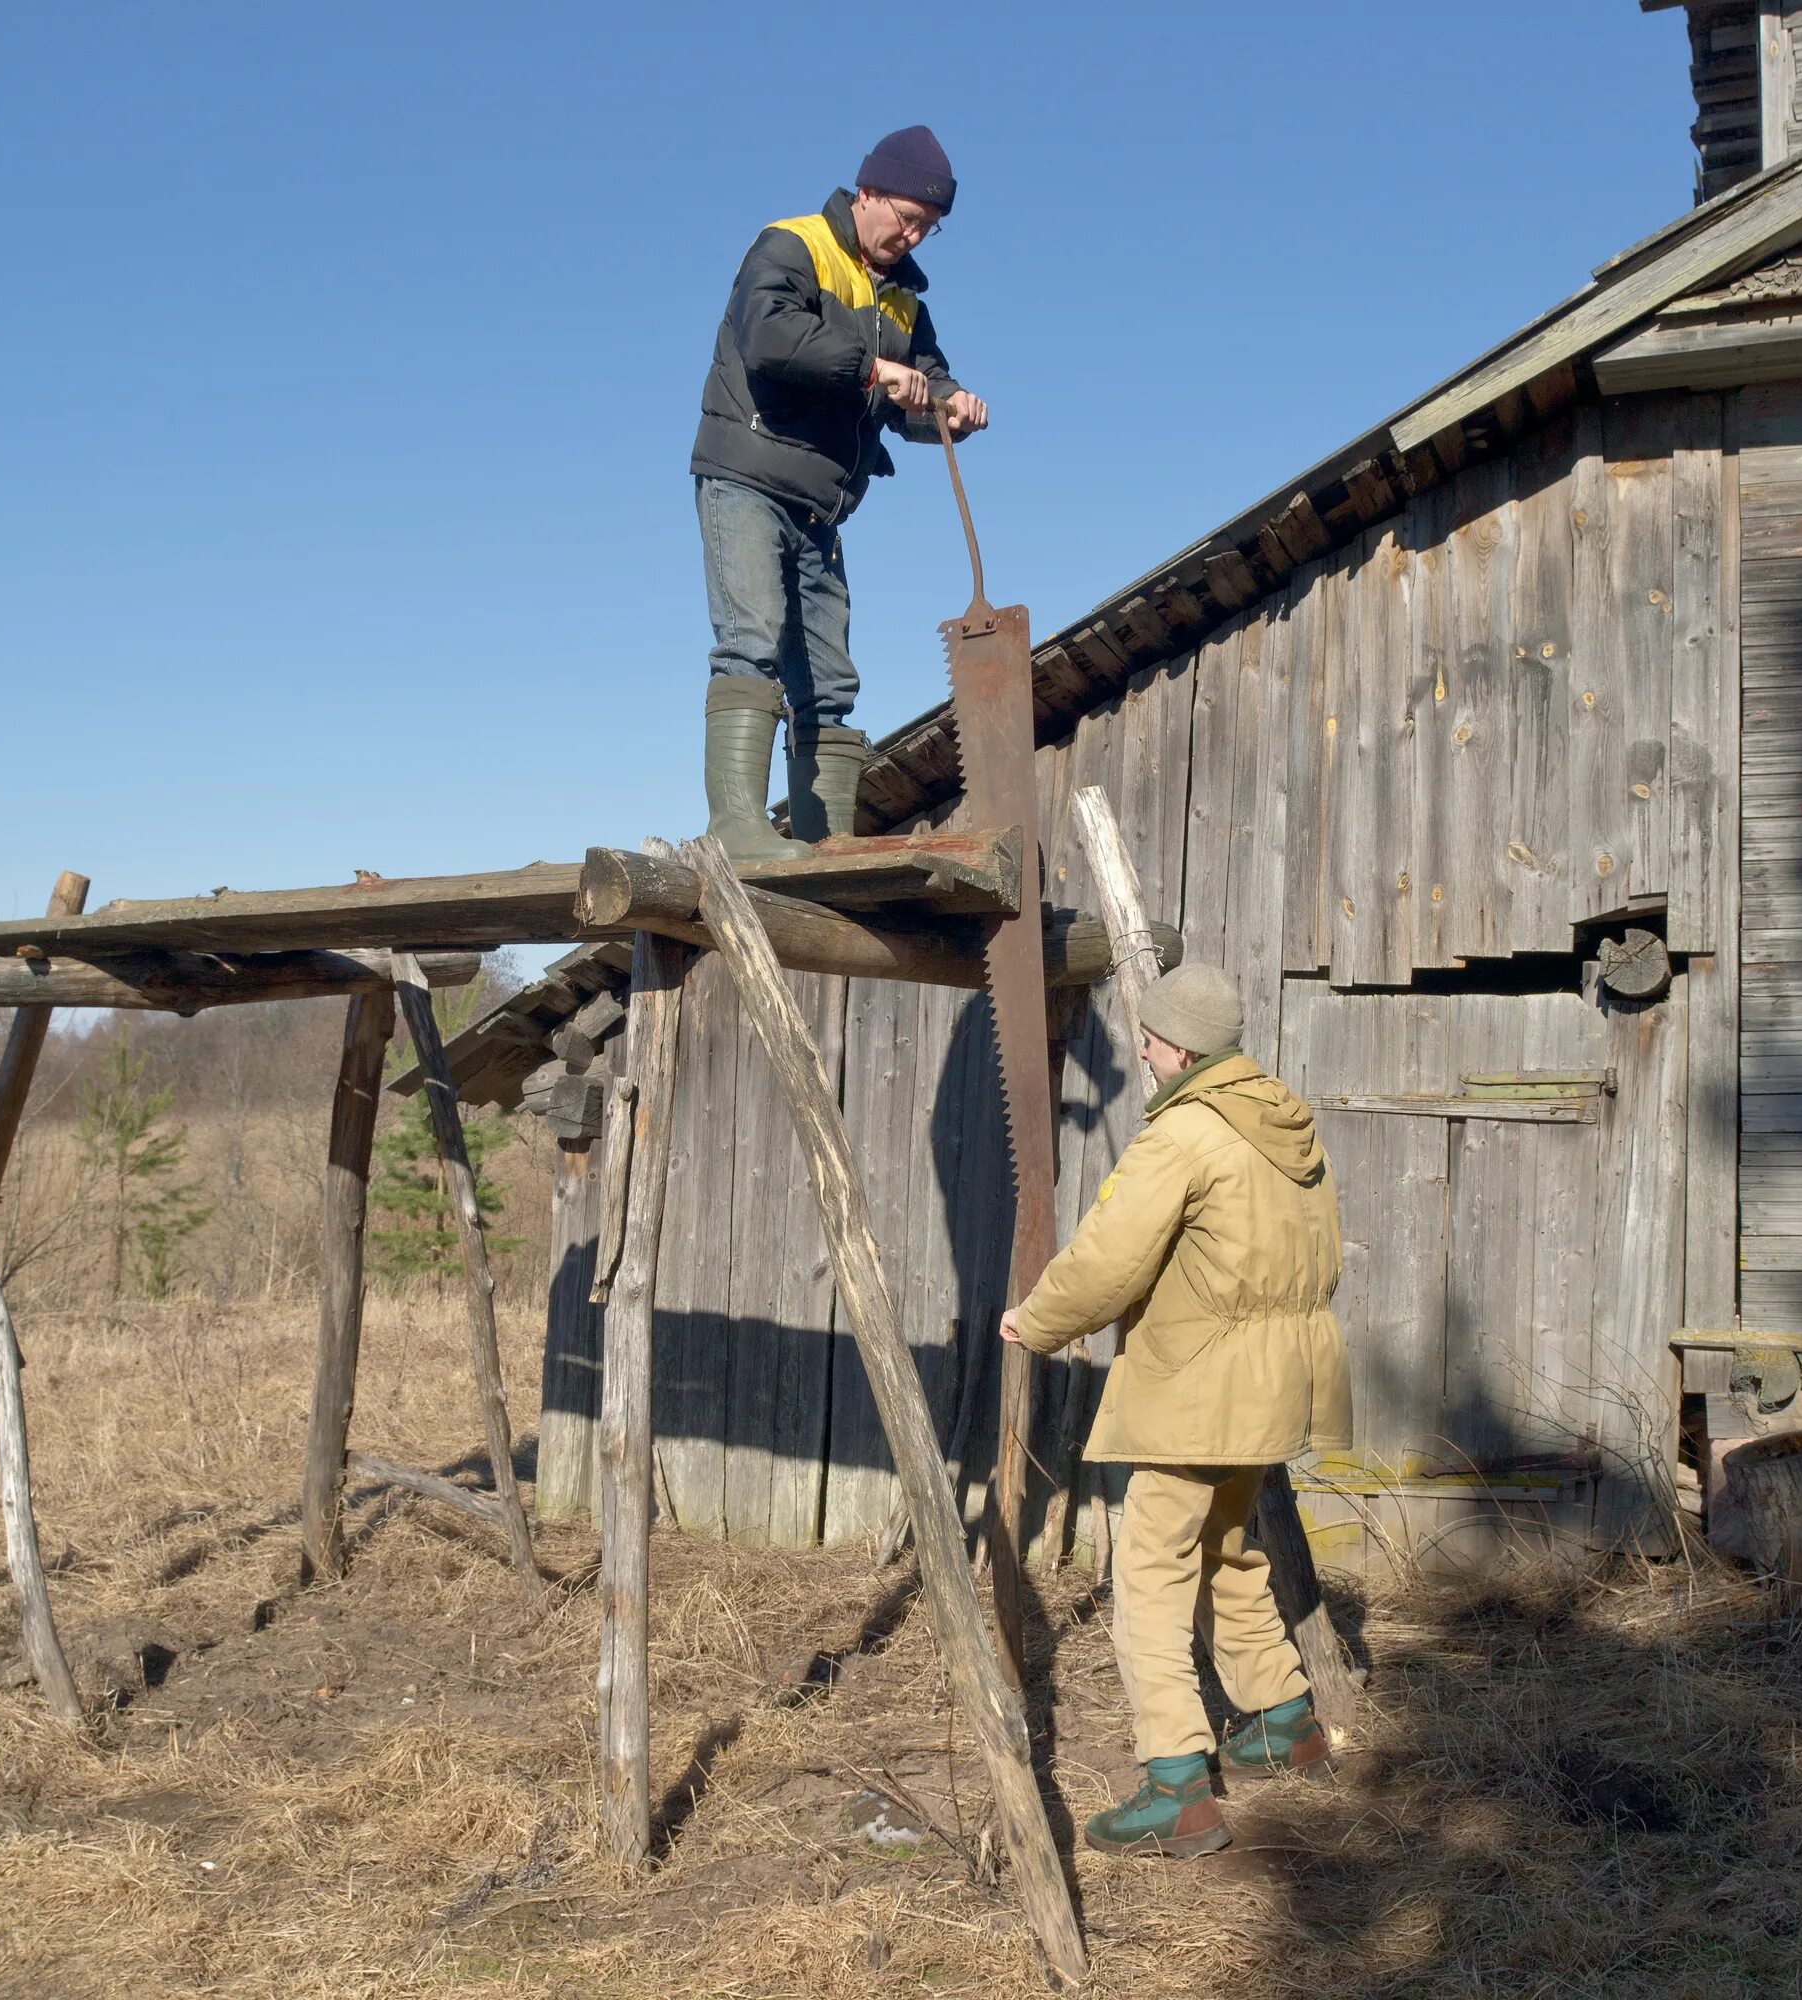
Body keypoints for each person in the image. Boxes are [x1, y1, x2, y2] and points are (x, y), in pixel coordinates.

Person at [997, 963, 1352, 1859]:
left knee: (1151, 1572)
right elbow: (1324, 1263)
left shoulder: (1186, 1135)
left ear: (1182, 1047)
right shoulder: (1282, 1124)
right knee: (1226, 1547)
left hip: (1199, 1386)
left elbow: (1108, 1258)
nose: (1144, 1054)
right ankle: (1281, 1717)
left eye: (1151, 1040)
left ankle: (1177, 1785)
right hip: (1273, 1383)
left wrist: (1035, 1322)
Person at [690, 125, 991, 860]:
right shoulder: (791, 245)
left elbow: (920, 383)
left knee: (829, 680)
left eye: (929, 227)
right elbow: (770, 337)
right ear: (867, 192)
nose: (914, 235)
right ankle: (736, 831)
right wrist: (873, 370)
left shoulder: (903, 305)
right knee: (751, 643)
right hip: (747, 477)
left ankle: (826, 846)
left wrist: (949, 407)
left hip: (823, 508)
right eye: (907, 216)